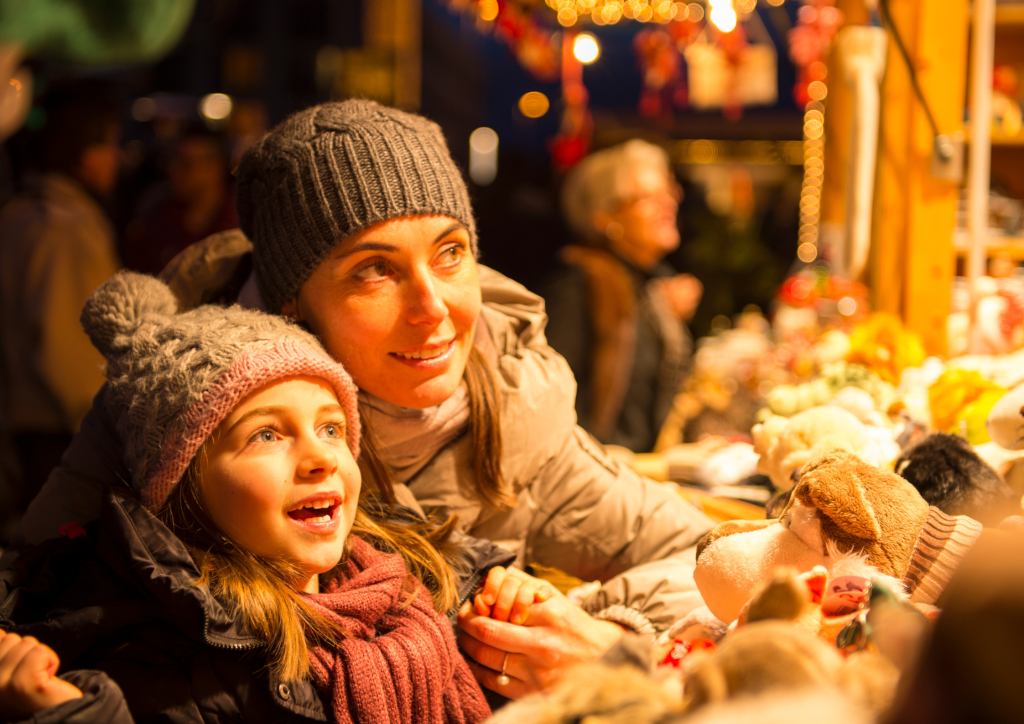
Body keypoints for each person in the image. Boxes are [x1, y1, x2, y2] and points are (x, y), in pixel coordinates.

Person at [6, 100, 714, 699]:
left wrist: (607, 635)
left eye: (450, 252)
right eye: (374, 270)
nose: (433, 309)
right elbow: (29, 598)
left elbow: (714, 558)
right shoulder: (171, 406)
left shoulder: (511, 409)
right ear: (291, 303)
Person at [0, 271, 494, 723]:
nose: (320, 458)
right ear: (185, 485)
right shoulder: (165, 668)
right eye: (266, 435)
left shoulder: (410, 573)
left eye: (330, 428)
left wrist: (511, 598)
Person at [0, 83, 121, 511]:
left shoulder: (19, 211)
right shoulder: (64, 226)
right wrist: (108, 434)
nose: (116, 158)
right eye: (109, 144)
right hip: (60, 431)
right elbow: (65, 346)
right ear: (83, 152)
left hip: (26, 425)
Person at [542, 140, 703, 453]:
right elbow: (550, 406)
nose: (667, 204)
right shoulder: (578, 286)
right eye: (646, 197)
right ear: (605, 217)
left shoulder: (645, 285)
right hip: (598, 470)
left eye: (668, 192)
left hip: (642, 467)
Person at [123, 126, 238, 275]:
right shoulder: (158, 219)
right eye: (174, 160)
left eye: (187, 163)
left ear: (216, 168)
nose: (175, 170)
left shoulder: (240, 224)